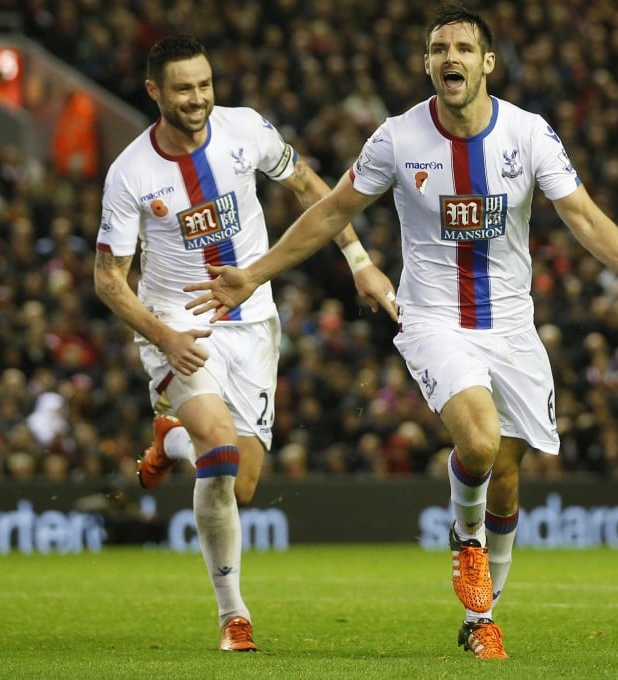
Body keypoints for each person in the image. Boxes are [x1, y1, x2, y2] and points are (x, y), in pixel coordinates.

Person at [185, 4, 618, 660]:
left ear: (487, 63)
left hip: (511, 326)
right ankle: (466, 542)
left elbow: (584, 219)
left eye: (464, 48)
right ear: (427, 63)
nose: (451, 57)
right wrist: (254, 272)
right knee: (476, 442)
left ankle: (482, 620)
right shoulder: (397, 138)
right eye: (440, 48)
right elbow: (333, 208)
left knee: (505, 470)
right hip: (434, 320)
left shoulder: (528, 135)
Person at [94, 35, 396, 652]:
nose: (198, 98)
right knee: (222, 451)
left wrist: (360, 261)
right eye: (183, 88)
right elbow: (108, 280)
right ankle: (234, 614)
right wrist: (163, 334)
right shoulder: (129, 173)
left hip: (253, 317)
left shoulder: (246, 129)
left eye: (204, 85)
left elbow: (315, 189)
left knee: (244, 483)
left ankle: (169, 438)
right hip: (179, 322)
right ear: (154, 92)